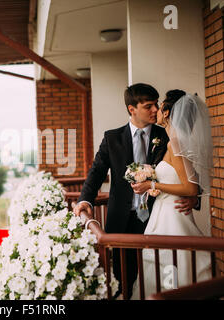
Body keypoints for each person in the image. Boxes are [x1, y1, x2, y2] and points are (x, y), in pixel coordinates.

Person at [73, 84, 199, 299]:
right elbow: (96, 172)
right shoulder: (112, 138)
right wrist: (85, 200)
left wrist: (193, 196)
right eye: (148, 106)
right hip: (122, 220)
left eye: (156, 105)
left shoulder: (167, 134)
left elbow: (186, 171)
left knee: (165, 272)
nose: (155, 109)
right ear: (132, 109)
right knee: (124, 278)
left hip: (157, 217)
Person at [130, 91, 213, 298]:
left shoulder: (175, 143)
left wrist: (152, 183)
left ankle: (173, 295)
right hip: (166, 212)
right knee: (169, 266)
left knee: (171, 265)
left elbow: (190, 188)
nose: (156, 111)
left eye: (160, 108)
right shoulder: (172, 141)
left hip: (172, 215)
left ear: (167, 114)